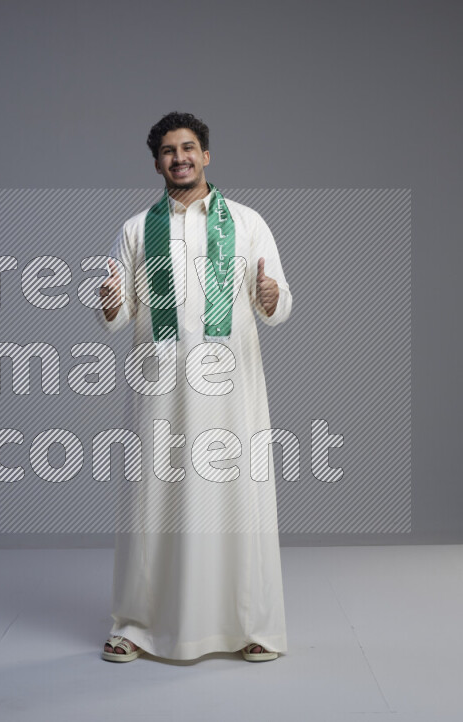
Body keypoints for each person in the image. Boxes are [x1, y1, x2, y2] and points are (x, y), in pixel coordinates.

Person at [97, 112, 292, 662]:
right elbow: (119, 316)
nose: (178, 157)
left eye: (188, 148)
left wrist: (274, 297)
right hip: (159, 392)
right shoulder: (136, 229)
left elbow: (276, 304)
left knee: (237, 502)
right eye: (167, 151)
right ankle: (135, 625)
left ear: (206, 155)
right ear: (157, 162)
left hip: (231, 393)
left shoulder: (250, 223)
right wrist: (109, 305)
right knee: (151, 503)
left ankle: (251, 625)